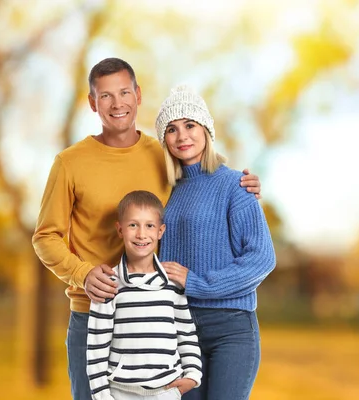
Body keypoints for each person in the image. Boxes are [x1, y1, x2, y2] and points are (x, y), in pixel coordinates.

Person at [32, 57, 261, 400]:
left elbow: (205, 184)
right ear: (93, 103)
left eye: (124, 92)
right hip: (94, 314)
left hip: (155, 315)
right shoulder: (70, 162)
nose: (117, 103)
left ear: (138, 95)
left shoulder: (162, 154)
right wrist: (81, 273)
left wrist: (246, 187)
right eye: (106, 96)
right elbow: (45, 237)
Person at [155, 86, 276, 400]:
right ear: (164, 140)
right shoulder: (164, 193)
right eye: (171, 129)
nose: (182, 135)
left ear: (206, 130)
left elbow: (262, 258)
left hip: (231, 329)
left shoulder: (236, 185)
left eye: (190, 125)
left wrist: (196, 282)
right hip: (178, 330)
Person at [87, 190, 201, 400]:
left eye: (149, 225)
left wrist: (193, 374)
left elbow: (186, 333)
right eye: (133, 225)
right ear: (120, 229)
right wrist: (101, 394)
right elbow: (97, 344)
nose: (141, 234)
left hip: (167, 391)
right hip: (119, 392)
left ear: (160, 231)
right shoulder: (108, 284)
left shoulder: (173, 284)